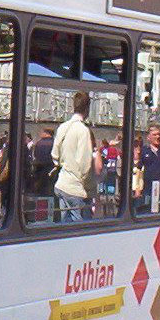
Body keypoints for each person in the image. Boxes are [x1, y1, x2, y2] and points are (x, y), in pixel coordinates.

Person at [52, 91, 96, 223]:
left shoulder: (63, 127)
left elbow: (55, 155)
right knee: (81, 232)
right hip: (76, 188)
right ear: (87, 108)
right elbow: (84, 165)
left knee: (64, 229)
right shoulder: (83, 131)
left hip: (62, 183)